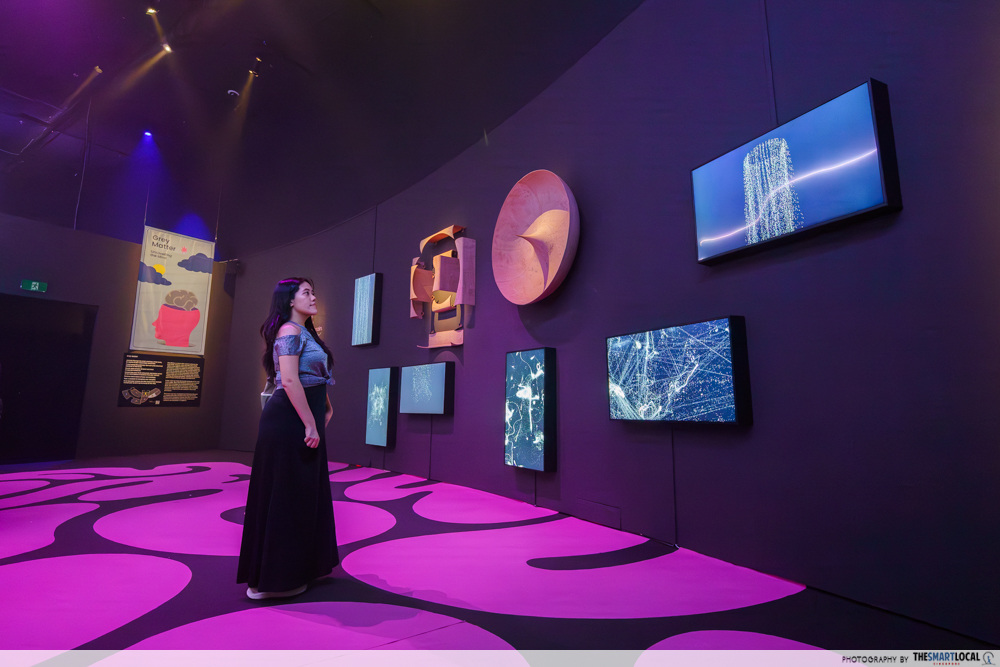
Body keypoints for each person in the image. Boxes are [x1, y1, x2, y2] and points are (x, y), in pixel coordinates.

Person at [237, 277, 337, 600]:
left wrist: (326, 407)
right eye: (307, 292)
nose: (313, 297)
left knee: (300, 495)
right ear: (290, 300)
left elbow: (313, 377)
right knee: (286, 497)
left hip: (301, 418)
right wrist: (310, 424)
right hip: (288, 421)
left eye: (313, 291)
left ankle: (297, 571)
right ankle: (272, 580)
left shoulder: (305, 332)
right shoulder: (289, 332)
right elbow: (290, 381)